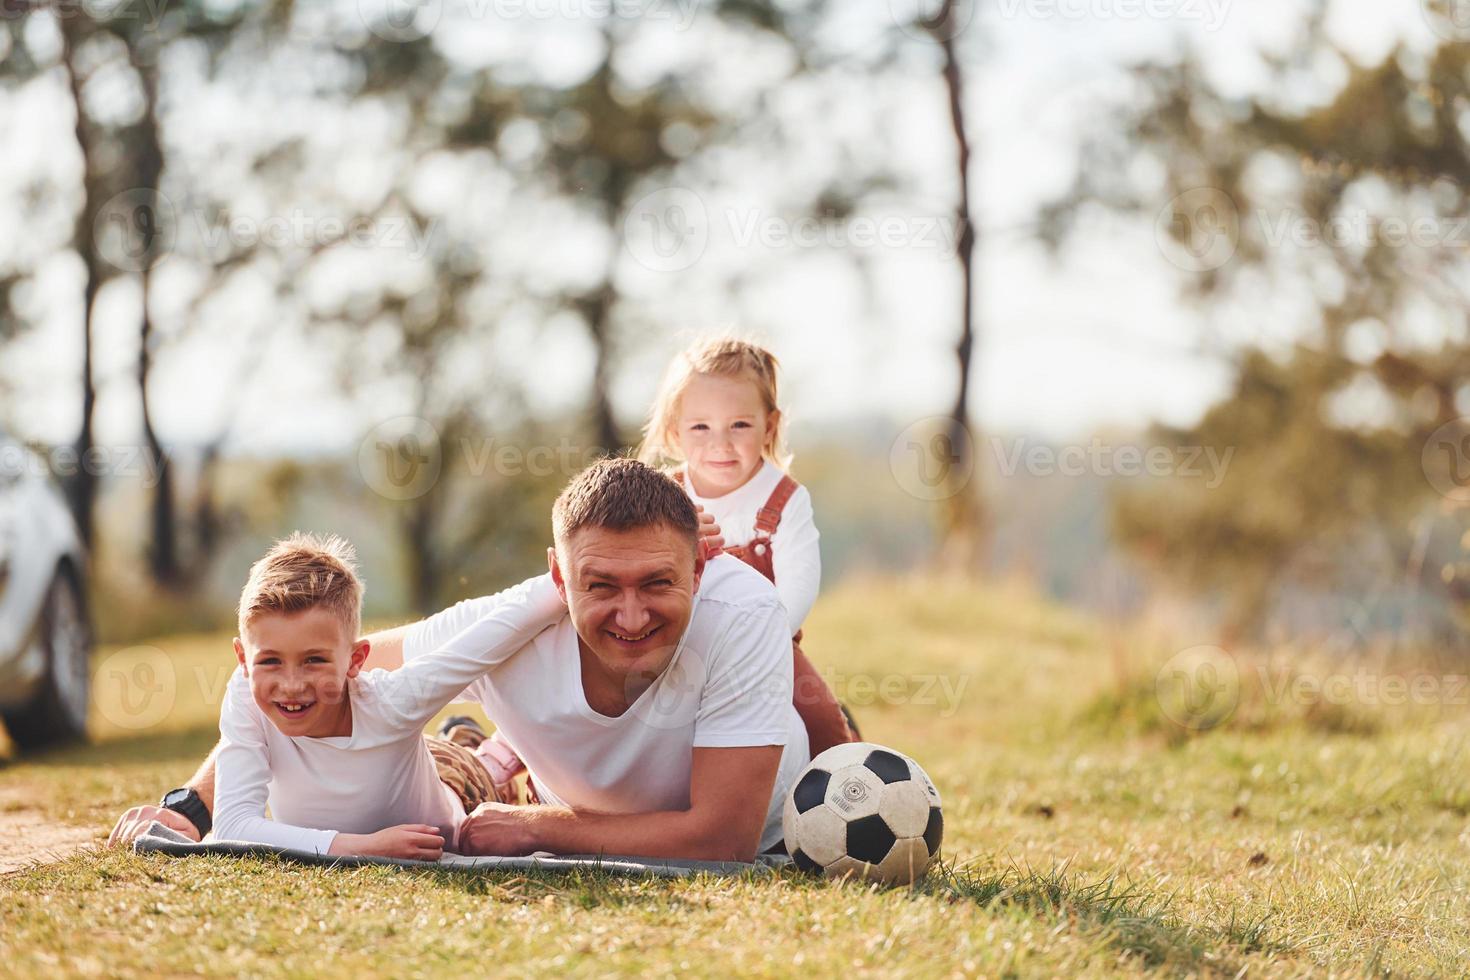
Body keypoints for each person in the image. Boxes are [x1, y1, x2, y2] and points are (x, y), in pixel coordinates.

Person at [109, 459, 807, 862]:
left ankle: (485, 760)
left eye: (658, 583)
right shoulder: (505, 627)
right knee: (432, 755)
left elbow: (721, 837)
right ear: (558, 579)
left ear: (700, 564)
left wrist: (536, 829)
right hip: (568, 798)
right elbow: (303, 673)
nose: (631, 616)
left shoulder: (742, 614)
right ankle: (476, 754)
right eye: (600, 586)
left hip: (753, 817)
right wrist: (190, 807)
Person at [212, 532, 564, 858]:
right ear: (243, 658)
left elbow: (492, 635)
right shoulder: (245, 694)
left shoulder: (393, 701)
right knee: (443, 753)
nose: (291, 684)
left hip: (459, 787)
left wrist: (570, 578)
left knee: (467, 776)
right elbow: (232, 825)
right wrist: (367, 846)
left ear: (355, 660)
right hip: (419, 765)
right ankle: (469, 739)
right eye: (270, 661)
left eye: (313, 661)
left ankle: (494, 756)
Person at [640, 336, 857, 756]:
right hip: (672, 639)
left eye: (739, 425)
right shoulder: (664, 495)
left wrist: (763, 636)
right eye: (701, 427)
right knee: (604, 690)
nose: (720, 442)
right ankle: (510, 758)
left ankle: (839, 783)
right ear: (674, 431)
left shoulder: (784, 498)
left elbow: (799, 584)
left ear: (769, 427)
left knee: (823, 720)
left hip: (765, 644)